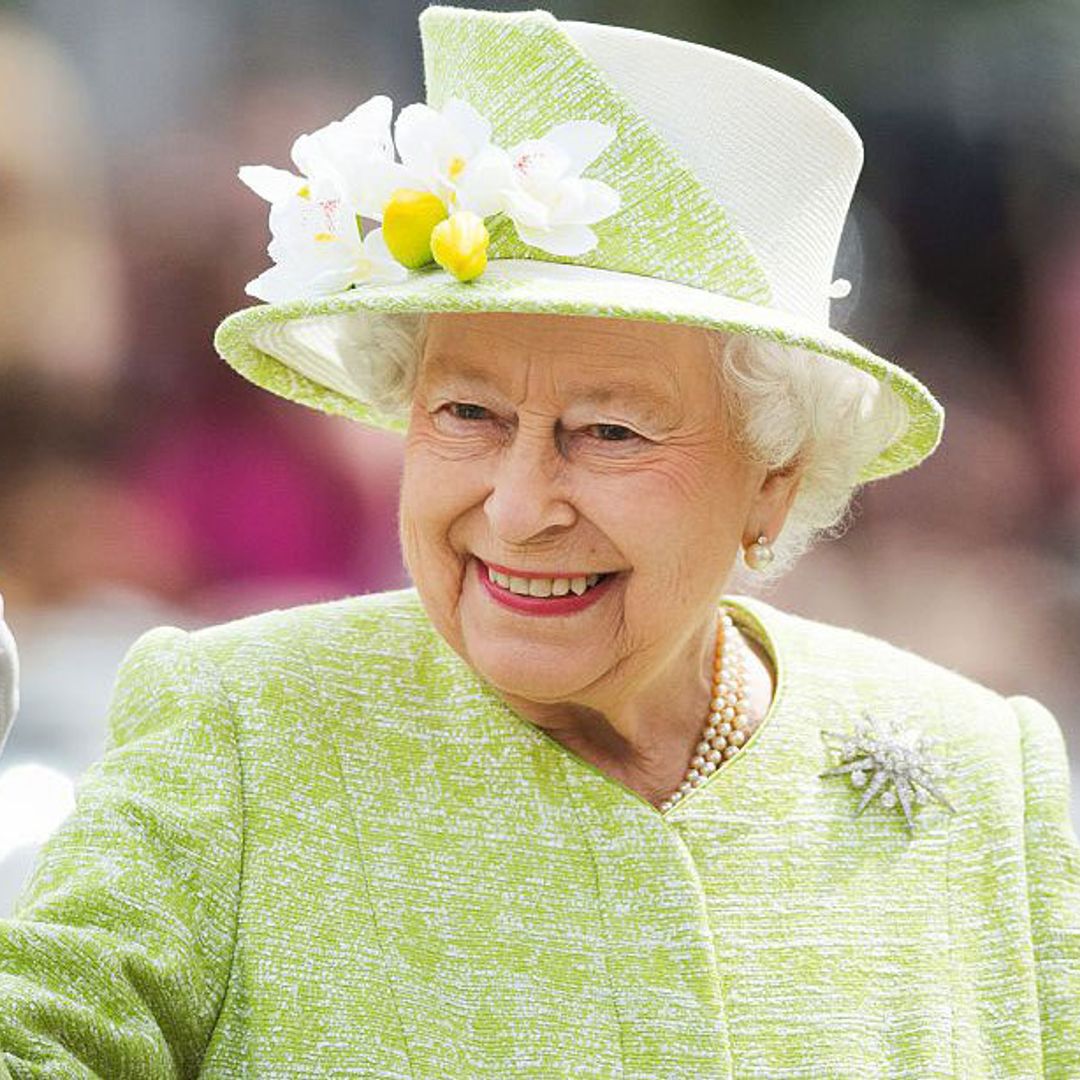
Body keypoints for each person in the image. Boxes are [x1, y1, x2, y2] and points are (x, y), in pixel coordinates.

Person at [1, 5, 1077, 1077]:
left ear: (775, 482)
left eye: (608, 432)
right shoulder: (241, 727)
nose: (517, 509)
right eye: (466, 415)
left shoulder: (987, 777)